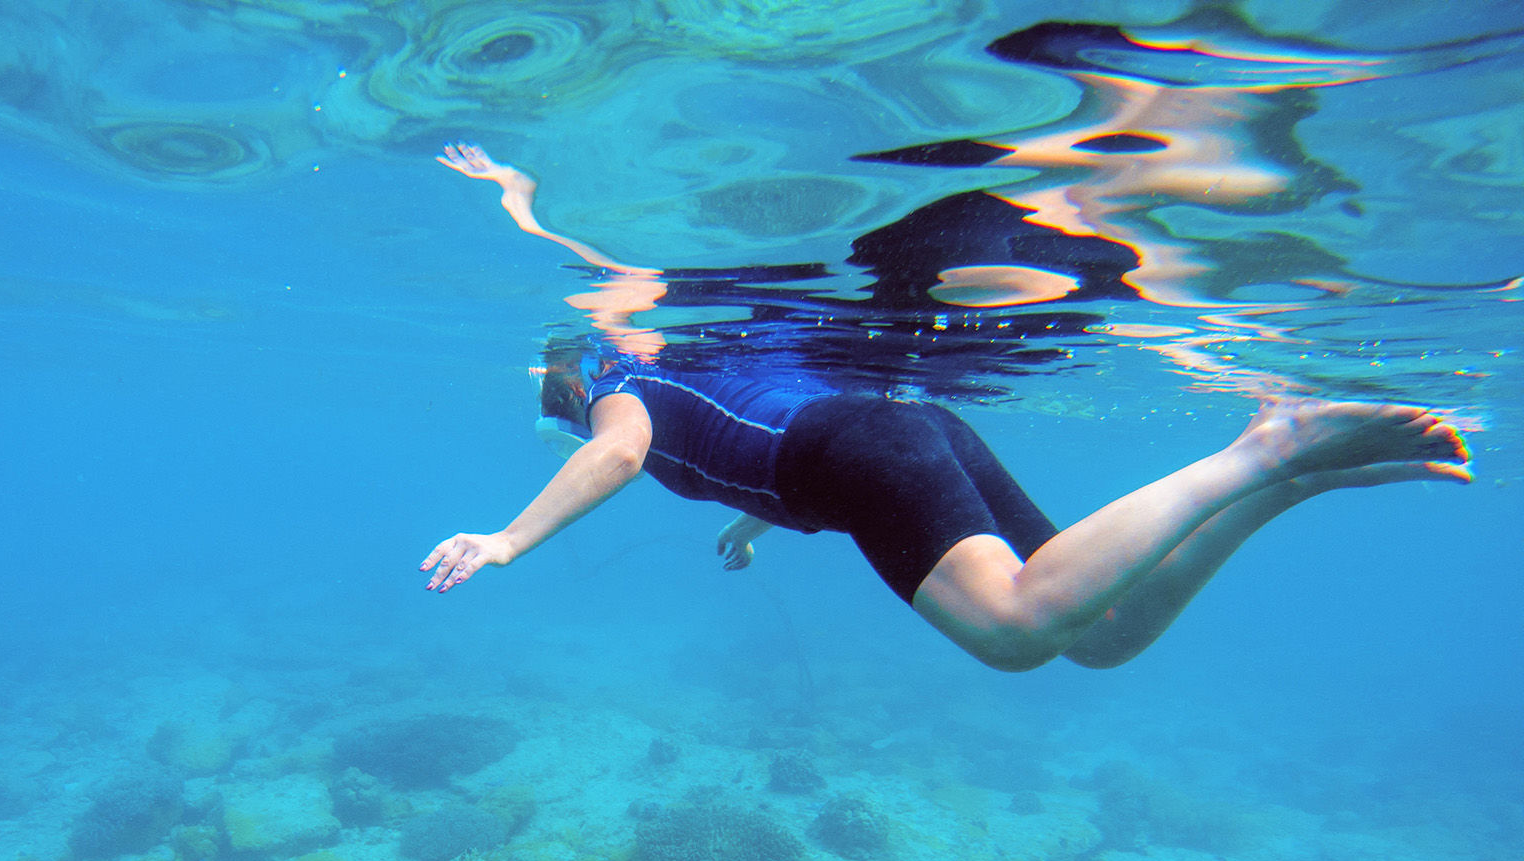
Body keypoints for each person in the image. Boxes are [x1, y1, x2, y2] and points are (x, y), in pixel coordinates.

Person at [420, 146, 1473, 673]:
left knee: (1016, 630)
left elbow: (620, 453)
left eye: (554, 389)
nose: (558, 399)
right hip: (901, 431)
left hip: (867, 449)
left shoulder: (622, 381)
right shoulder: (665, 376)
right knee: (1097, 639)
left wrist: (509, 541)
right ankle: (1289, 477)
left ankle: (1264, 448)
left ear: (574, 374)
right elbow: (765, 439)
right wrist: (755, 525)